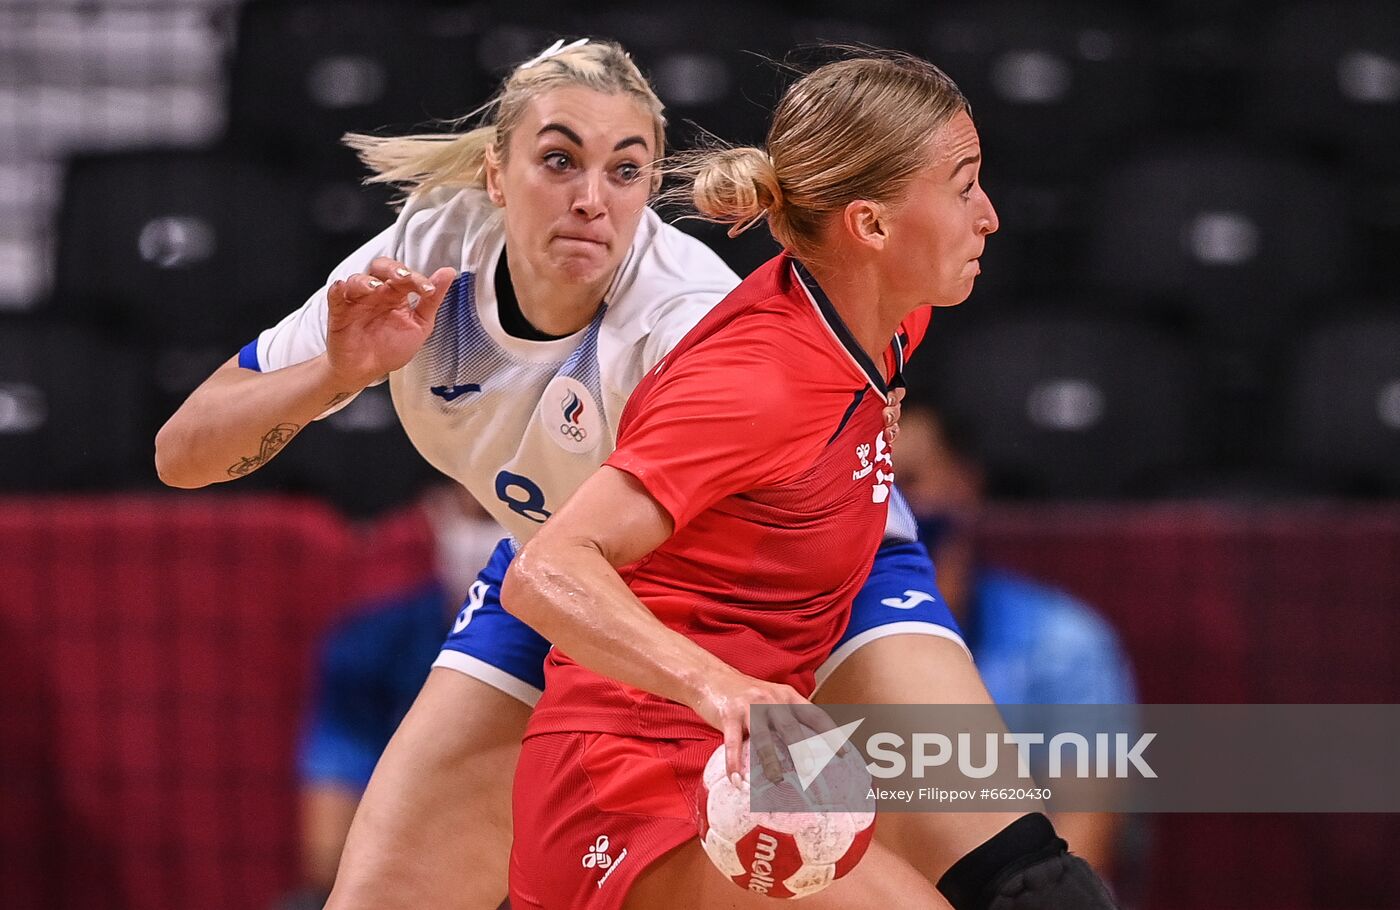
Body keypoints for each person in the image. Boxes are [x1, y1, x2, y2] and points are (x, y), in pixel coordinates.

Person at [154, 39, 957, 910]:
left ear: (651, 189)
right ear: (496, 175)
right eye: (559, 160)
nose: (589, 200)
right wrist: (334, 376)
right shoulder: (430, 254)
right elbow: (182, 453)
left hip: (769, 593)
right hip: (561, 575)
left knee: (994, 864)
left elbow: (768, 527)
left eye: (625, 170)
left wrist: (725, 691)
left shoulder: (681, 324)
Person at [501, 51, 1118, 910]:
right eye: (965, 185)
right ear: (869, 225)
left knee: (1048, 895)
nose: (991, 216)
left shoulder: (892, 316)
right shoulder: (757, 380)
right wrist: (722, 686)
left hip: (762, 753)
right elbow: (547, 572)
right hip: (635, 769)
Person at [893, 398, 1140, 883]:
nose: (890, 506)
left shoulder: (1066, 642)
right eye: (874, 485)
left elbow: (1085, 841)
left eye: (908, 482)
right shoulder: (810, 640)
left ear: (964, 482)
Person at [278, 484, 500, 910]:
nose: (494, 537)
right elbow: (327, 848)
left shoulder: (586, 639)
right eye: (480, 514)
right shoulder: (373, 636)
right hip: (410, 877)